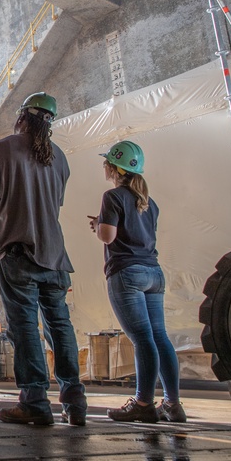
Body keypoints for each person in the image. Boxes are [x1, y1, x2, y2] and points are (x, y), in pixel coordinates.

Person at [0, 91, 87, 426]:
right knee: (60, 326)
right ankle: (74, 399)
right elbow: (55, 201)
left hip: (18, 251)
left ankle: (35, 401)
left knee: (25, 328)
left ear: (22, 116)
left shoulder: (2, 148)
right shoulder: (59, 157)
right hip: (55, 256)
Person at [90, 141, 185, 423]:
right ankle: (173, 404)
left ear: (113, 168)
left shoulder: (112, 197)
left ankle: (143, 403)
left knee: (142, 339)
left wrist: (98, 225)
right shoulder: (149, 202)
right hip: (153, 273)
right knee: (160, 338)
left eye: (106, 162)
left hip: (127, 273)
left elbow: (108, 237)